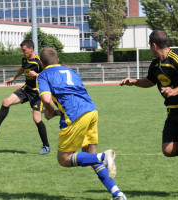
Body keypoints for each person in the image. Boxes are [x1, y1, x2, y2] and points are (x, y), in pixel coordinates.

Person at [37, 47, 127, 200]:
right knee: (89, 157)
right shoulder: (71, 72)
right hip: (91, 110)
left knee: (64, 159)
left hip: (75, 116)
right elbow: (73, 96)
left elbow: (46, 100)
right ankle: (117, 193)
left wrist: (50, 112)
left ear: (41, 63)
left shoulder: (43, 75)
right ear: (57, 60)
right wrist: (57, 112)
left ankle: (103, 157)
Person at [120, 30, 178, 158]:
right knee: (168, 150)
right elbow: (150, 81)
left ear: (154, 45)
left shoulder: (177, 59)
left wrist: (174, 91)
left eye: (149, 46)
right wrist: (134, 82)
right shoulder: (155, 64)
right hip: (172, 111)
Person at [0, 39, 50, 155]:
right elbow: (22, 68)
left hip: (37, 93)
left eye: (24, 51)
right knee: (6, 102)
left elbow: (49, 74)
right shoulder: (25, 59)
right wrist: (14, 77)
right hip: (26, 89)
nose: (22, 53)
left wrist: (37, 75)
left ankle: (46, 146)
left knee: (36, 118)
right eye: (22, 51)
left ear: (31, 49)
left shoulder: (39, 61)